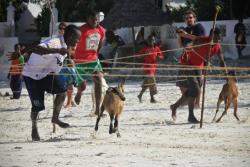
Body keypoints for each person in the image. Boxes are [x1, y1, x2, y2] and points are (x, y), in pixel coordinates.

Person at [10, 25, 81, 141]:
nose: (78, 41)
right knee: (37, 106)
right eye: (77, 38)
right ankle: (34, 127)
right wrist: (57, 50)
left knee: (62, 91)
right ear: (71, 36)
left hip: (46, 74)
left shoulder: (66, 46)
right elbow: (37, 49)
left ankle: (55, 118)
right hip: (31, 75)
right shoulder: (55, 42)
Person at [170, 27, 226, 123]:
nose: (216, 40)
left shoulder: (217, 46)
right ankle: (190, 116)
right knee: (195, 90)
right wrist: (182, 33)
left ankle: (175, 106)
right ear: (210, 36)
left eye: (217, 38)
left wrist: (226, 73)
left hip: (199, 66)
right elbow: (189, 36)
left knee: (193, 90)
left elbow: (222, 61)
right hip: (188, 64)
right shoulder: (202, 40)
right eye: (214, 37)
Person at [74, 10, 106, 116]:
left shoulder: (101, 30)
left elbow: (100, 44)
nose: (95, 22)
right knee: (83, 86)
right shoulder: (81, 30)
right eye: (93, 20)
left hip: (93, 60)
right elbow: (73, 43)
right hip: (80, 61)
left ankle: (97, 109)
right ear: (87, 19)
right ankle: (79, 92)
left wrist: (95, 55)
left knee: (98, 80)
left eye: (96, 20)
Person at [176, 9, 206, 108]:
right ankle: (188, 100)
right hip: (185, 58)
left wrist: (185, 35)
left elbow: (201, 40)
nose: (189, 19)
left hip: (197, 58)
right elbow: (180, 46)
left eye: (190, 17)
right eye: (187, 18)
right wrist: (179, 36)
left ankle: (197, 103)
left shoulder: (199, 27)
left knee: (198, 83)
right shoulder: (184, 29)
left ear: (194, 18)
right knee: (181, 82)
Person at [56, 22, 77, 108]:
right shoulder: (56, 39)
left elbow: (75, 52)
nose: (61, 30)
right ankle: (67, 101)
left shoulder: (71, 39)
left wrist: (67, 52)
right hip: (59, 63)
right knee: (61, 84)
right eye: (60, 28)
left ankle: (69, 102)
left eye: (63, 28)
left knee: (70, 83)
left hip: (69, 62)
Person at [137, 35, 164, 103]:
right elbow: (138, 56)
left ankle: (140, 95)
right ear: (147, 41)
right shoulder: (145, 49)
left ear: (154, 41)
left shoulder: (156, 48)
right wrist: (144, 54)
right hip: (147, 68)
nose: (151, 41)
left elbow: (161, 56)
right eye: (149, 40)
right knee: (152, 83)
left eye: (152, 40)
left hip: (153, 67)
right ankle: (152, 99)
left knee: (147, 84)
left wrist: (159, 57)